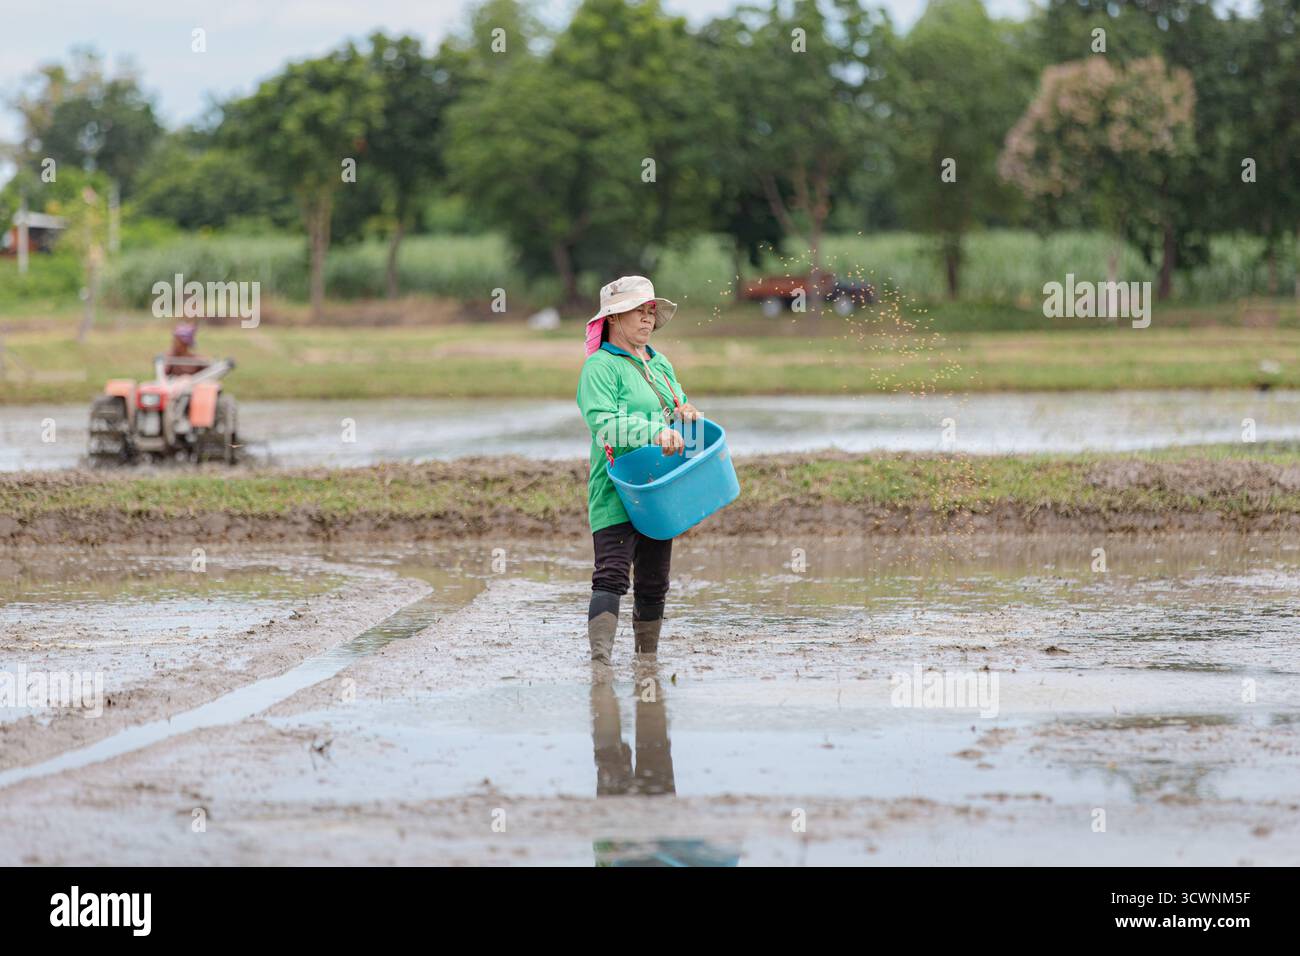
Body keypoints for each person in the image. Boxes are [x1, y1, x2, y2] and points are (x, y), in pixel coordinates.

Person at [576, 276, 701, 668]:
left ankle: (647, 665)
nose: (647, 320)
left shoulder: (660, 364)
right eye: (638, 312)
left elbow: (683, 419)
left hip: (658, 488)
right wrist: (656, 431)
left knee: (654, 582)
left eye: (650, 312)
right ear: (613, 317)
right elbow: (604, 425)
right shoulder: (600, 367)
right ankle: (600, 666)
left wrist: (688, 417)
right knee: (611, 575)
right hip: (617, 485)